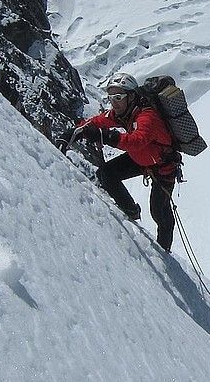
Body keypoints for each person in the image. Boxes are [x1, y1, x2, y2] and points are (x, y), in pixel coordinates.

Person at [71, 72, 178, 251]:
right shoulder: (124, 112)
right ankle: (130, 211)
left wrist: (105, 136)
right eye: (111, 97)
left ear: (132, 96)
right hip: (144, 158)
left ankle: (164, 251)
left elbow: (136, 141)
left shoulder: (147, 117)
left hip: (163, 167)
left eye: (118, 97)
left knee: (159, 211)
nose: (114, 101)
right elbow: (99, 120)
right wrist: (78, 129)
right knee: (106, 173)